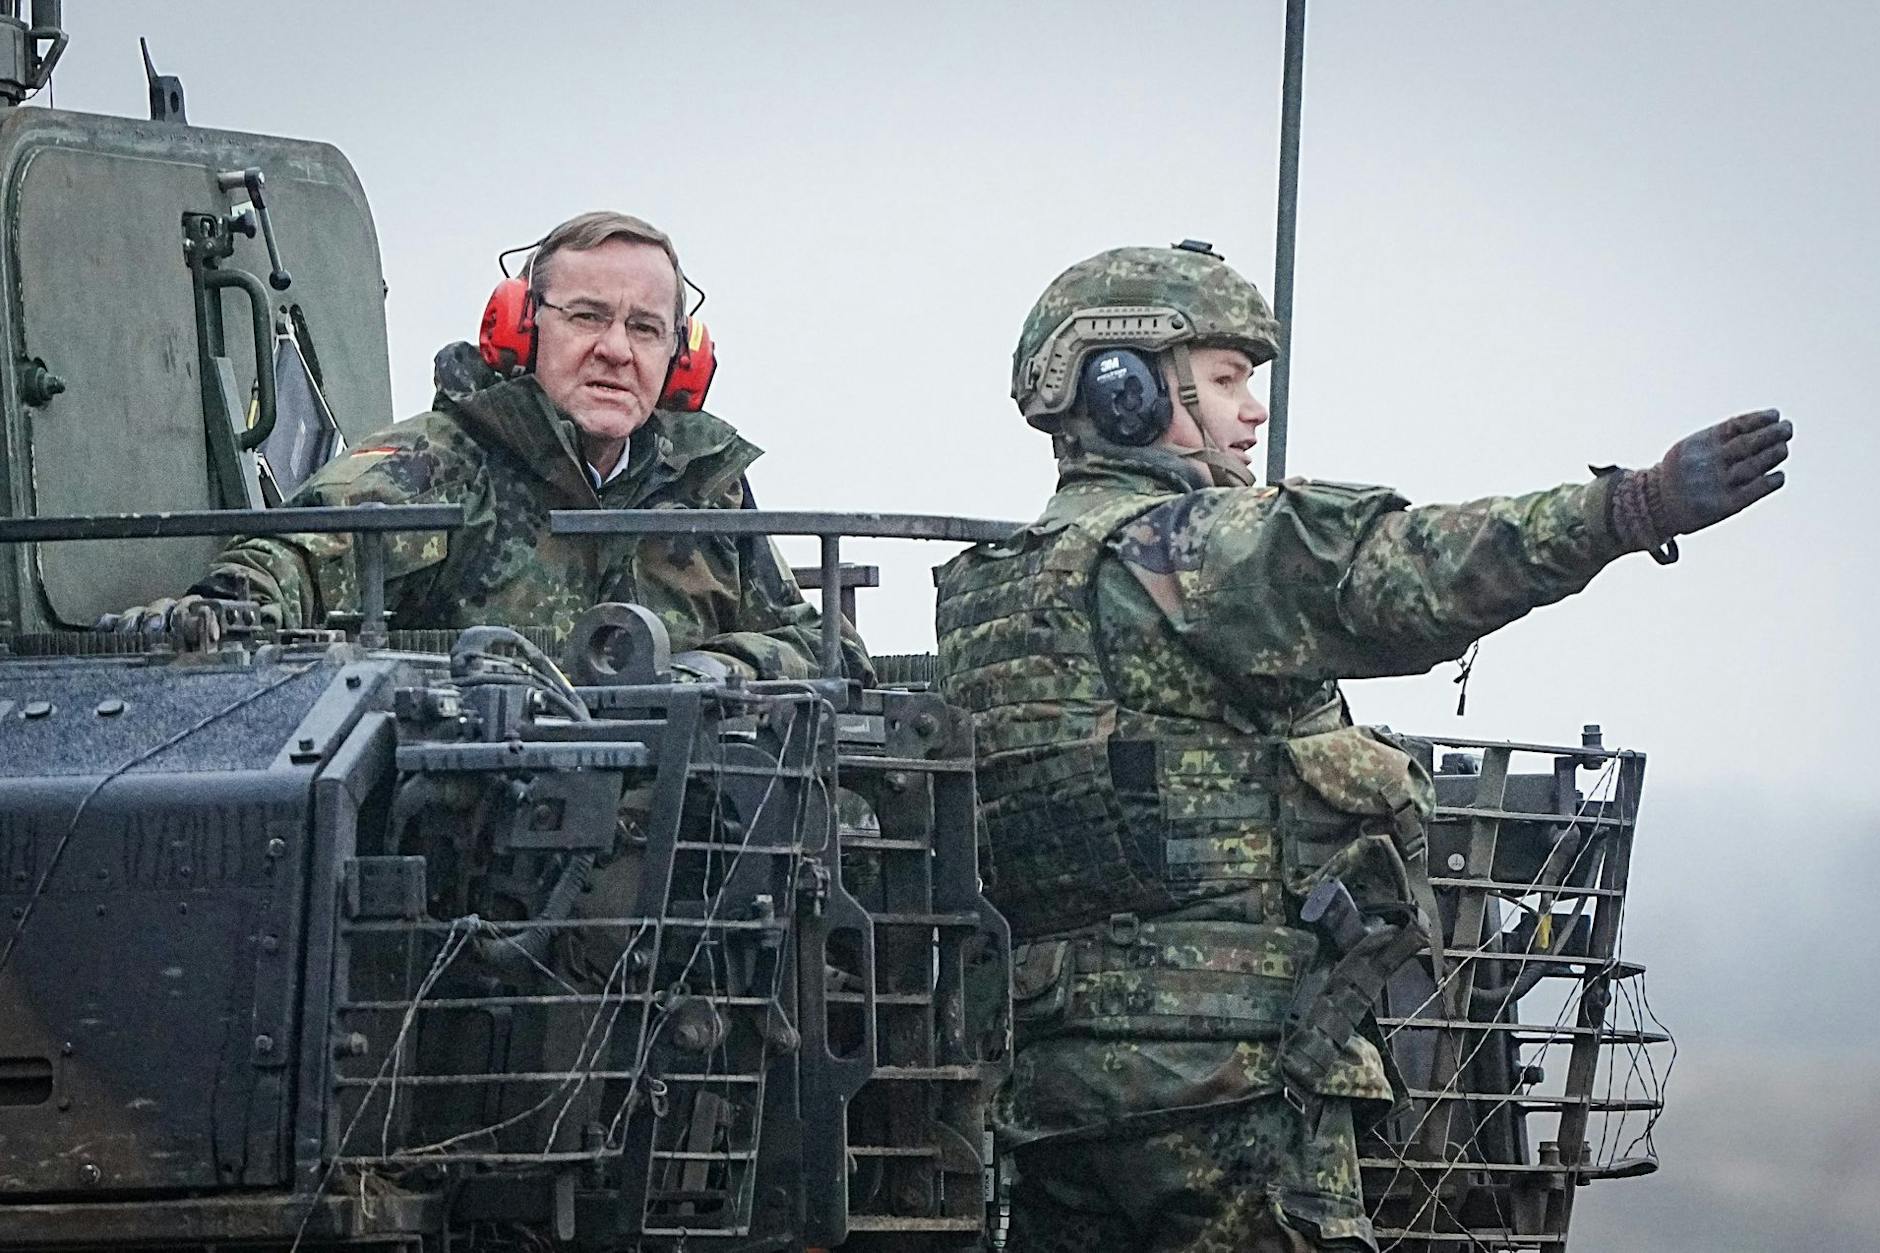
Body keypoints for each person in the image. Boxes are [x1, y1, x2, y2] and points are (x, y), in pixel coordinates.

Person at [932, 241, 1790, 1252]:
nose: (1250, 411)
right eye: (1224, 380)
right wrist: (1622, 509)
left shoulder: (988, 592)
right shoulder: (1191, 549)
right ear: (1122, 389)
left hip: (1050, 1094)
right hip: (1231, 1088)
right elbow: (1401, 575)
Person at [111, 210, 868, 683]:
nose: (615, 349)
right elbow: (300, 558)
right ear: (522, 328)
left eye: (644, 328)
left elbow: (819, 642)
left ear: (681, 356)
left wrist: (711, 673)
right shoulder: (443, 463)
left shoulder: (705, 489)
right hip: (488, 858)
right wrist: (216, 615)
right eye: (586, 316)